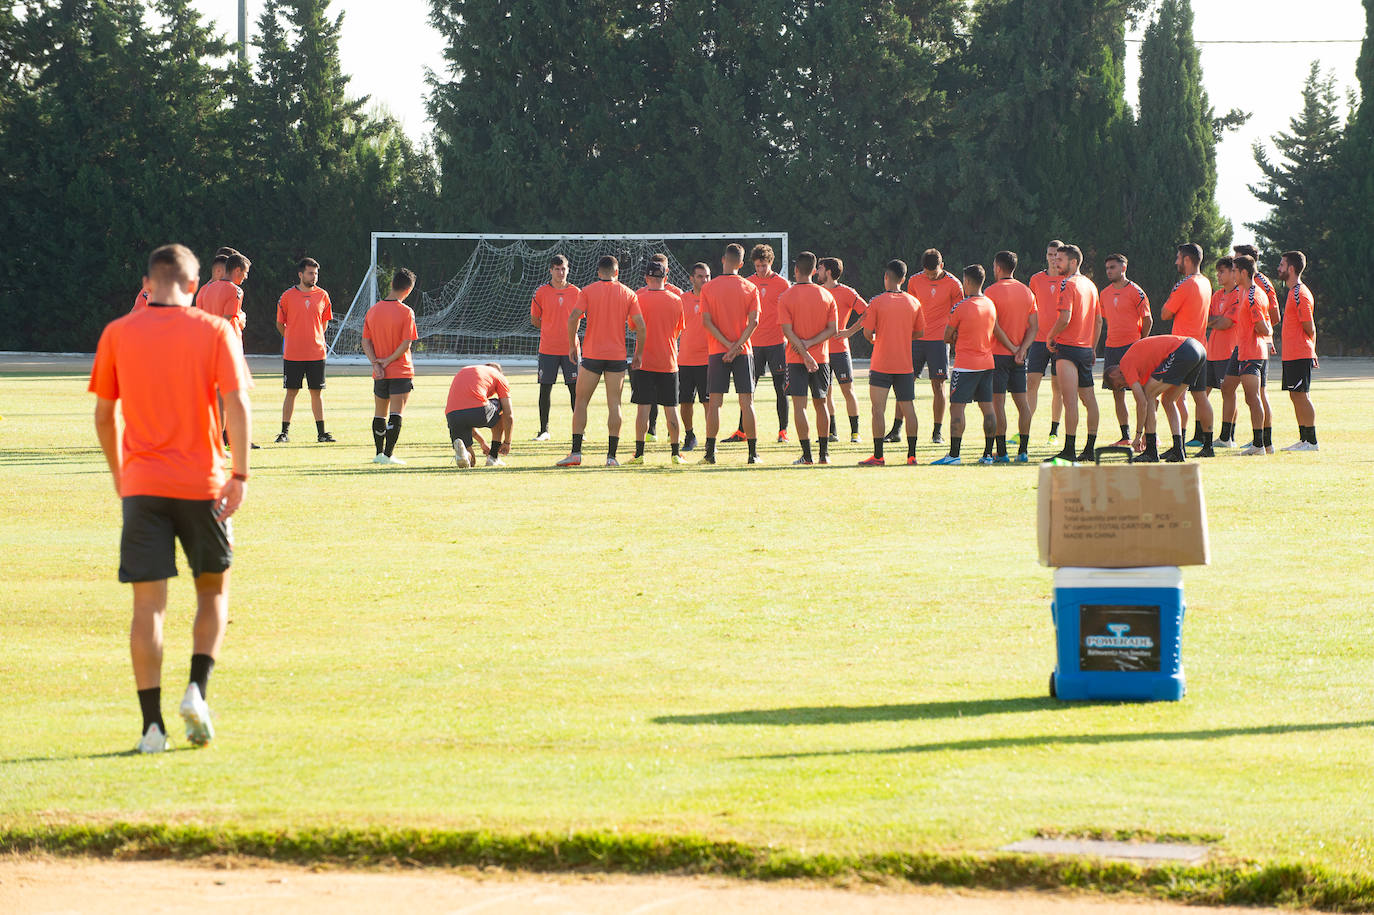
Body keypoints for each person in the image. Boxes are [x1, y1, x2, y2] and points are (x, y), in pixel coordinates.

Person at [89, 243, 252, 753]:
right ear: (193, 284)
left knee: (149, 607)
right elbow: (238, 404)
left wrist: (122, 476)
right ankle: (196, 692)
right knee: (213, 594)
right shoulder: (215, 330)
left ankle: (150, 729)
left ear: (148, 281)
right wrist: (241, 474)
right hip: (202, 484)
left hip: (142, 486)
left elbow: (103, 416)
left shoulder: (118, 332)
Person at [557, 255, 645, 467]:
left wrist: (571, 345)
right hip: (616, 356)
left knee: (581, 402)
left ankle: (576, 453)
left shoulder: (587, 291)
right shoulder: (629, 293)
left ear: (598, 272)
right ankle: (611, 457)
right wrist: (638, 354)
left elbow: (572, 319)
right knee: (614, 404)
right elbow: (641, 326)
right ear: (617, 272)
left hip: (593, 356)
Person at [935, 265, 1017, 465]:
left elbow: (946, 336)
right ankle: (988, 454)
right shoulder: (990, 304)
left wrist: (957, 337)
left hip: (965, 365)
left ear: (968, 282)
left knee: (957, 409)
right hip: (987, 363)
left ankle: (954, 455)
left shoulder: (960, 307)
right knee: (988, 408)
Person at [890, 248, 962, 444]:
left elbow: (958, 314)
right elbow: (910, 308)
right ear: (923, 269)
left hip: (939, 341)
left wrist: (954, 336)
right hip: (916, 340)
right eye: (927, 273)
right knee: (904, 383)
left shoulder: (954, 284)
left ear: (942, 265)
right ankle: (896, 430)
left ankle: (937, 431)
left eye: (934, 273)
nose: (930, 277)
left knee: (938, 386)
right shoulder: (914, 281)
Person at [699, 243, 762, 464]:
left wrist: (727, 345)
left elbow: (706, 322)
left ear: (723, 260)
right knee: (748, 403)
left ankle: (710, 454)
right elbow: (754, 322)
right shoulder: (750, 287)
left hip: (718, 352)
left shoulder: (708, 288)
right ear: (742, 264)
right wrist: (736, 347)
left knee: (715, 403)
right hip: (743, 352)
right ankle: (753, 454)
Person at [859, 259, 925, 466]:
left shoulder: (877, 302)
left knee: (878, 409)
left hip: (881, 364)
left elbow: (868, 332)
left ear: (886, 277)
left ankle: (878, 456)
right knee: (909, 408)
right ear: (904, 279)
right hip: (905, 364)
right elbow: (920, 332)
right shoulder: (914, 302)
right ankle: (912, 456)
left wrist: (877, 338)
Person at [776, 251, 838, 465]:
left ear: (795, 270)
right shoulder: (827, 295)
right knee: (821, 405)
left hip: (795, 359)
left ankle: (807, 456)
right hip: (821, 359)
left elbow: (787, 331)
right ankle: (824, 455)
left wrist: (804, 351)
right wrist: (811, 347)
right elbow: (833, 329)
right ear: (814, 271)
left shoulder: (786, 296)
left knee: (800, 406)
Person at [1105, 334, 1207, 462]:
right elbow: (1155, 403)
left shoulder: (1125, 365)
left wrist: (1138, 435)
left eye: (1120, 385)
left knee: (1148, 395)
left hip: (1183, 350)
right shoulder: (1139, 366)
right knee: (1168, 401)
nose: (1125, 385)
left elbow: (1142, 403)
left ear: (1114, 375)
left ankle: (1151, 451)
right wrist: (1148, 432)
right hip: (1198, 349)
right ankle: (1178, 449)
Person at [726, 244, 789, 443]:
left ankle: (783, 432)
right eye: (758, 266)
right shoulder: (748, 283)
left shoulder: (783, 285)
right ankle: (742, 432)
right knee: (747, 389)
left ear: (771, 263)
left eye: (764, 265)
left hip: (777, 344)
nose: (761, 269)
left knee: (781, 389)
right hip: (753, 346)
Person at [1044, 244, 1101, 462]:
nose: (1056, 263)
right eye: (1055, 258)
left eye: (1060, 260)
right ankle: (1089, 449)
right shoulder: (1091, 285)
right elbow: (1098, 320)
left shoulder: (1067, 284)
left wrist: (1050, 336)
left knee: (1070, 401)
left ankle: (1069, 450)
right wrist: (1093, 347)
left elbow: (1064, 318)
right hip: (1085, 349)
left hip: (1067, 348)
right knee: (1089, 400)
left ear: (1074, 262)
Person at [1213, 255, 1274, 456]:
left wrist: (1269, 331)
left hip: (1252, 352)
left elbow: (1263, 327)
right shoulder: (1245, 292)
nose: (1233, 274)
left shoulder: (1252, 296)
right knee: (1227, 387)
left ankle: (1260, 444)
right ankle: (1227, 437)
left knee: (1252, 397)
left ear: (1243, 273)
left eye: (1235, 271)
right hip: (1241, 350)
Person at [196, 252, 258, 449]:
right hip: (226, 348)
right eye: (245, 273)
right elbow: (227, 319)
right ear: (237, 270)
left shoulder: (207, 289)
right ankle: (228, 442)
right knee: (231, 398)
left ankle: (215, 441)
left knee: (216, 397)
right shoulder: (235, 291)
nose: (245, 277)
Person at [1159, 243, 1214, 456]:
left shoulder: (1186, 284)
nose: (1176, 262)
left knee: (1168, 398)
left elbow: (1165, 313)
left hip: (1183, 348)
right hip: (1201, 347)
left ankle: (1177, 446)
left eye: (1178, 258)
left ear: (1187, 260)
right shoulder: (1206, 283)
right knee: (1199, 397)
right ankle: (1207, 446)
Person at [629, 261, 686, 465]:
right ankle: (676, 454)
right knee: (671, 408)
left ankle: (639, 454)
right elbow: (678, 330)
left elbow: (634, 327)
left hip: (643, 361)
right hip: (668, 361)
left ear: (646, 278)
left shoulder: (638, 298)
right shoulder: (676, 300)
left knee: (643, 409)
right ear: (666, 278)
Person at [361, 268, 419, 465]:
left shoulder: (373, 310)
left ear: (392, 284)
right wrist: (388, 360)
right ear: (408, 289)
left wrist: (376, 362)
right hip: (400, 370)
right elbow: (406, 343)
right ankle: (388, 455)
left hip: (380, 372)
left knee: (379, 412)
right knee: (396, 413)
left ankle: (378, 454)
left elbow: (365, 342)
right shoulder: (406, 312)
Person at [274, 257, 335, 444]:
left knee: (316, 392)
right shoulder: (286, 296)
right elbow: (280, 324)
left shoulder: (323, 295)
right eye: (310, 273)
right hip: (293, 354)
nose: (314, 276)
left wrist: (313, 338)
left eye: (316, 273)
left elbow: (323, 324)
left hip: (316, 353)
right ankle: (284, 433)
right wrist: (293, 338)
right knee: (291, 391)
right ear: (300, 274)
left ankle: (322, 433)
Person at [984, 251, 1037, 462]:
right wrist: (1022, 349)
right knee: (1022, 404)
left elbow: (993, 326)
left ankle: (1003, 452)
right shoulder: (1027, 292)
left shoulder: (990, 292)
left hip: (998, 355)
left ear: (997, 268)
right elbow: (1034, 327)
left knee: (998, 405)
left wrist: (1012, 347)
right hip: (1019, 358)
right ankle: (1023, 451)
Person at [1098, 254, 1152, 448]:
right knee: (1117, 392)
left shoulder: (1136, 291)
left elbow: (1148, 319)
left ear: (1124, 268)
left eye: (1112, 267)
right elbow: (1104, 318)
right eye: (1107, 268)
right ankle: (1125, 436)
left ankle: (1149, 435)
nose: (1109, 271)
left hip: (1132, 348)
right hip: (1112, 347)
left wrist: (1140, 344)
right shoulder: (1104, 293)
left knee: (1143, 394)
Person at [530, 254, 580, 441]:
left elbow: (580, 320)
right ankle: (544, 430)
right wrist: (551, 328)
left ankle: (578, 431)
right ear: (550, 270)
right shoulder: (541, 292)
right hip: (548, 349)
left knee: (575, 391)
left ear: (568, 269)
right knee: (545, 389)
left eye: (563, 269)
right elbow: (535, 319)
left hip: (571, 349)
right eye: (557, 269)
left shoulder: (576, 292)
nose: (560, 272)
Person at [818, 256, 866, 443]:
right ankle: (832, 433)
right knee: (826, 393)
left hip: (840, 351)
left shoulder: (847, 292)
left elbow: (867, 312)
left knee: (848, 391)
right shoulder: (817, 292)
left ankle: (855, 433)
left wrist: (850, 331)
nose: (817, 272)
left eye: (820, 269)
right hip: (822, 351)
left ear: (828, 272)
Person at [1278, 250, 1318, 451]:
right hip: (1292, 354)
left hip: (1300, 353)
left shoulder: (1300, 293)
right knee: (1295, 395)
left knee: (1302, 395)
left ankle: (1311, 441)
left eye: (1282, 265)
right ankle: (1303, 439)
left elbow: (1309, 326)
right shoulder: (1292, 292)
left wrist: (1312, 350)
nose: (1279, 268)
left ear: (1291, 268)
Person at [1026, 240, 1066, 446]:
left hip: (1060, 341)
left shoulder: (1069, 280)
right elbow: (1030, 310)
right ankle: (1025, 430)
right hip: (1039, 340)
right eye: (1050, 255)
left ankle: (1054, 431)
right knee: (1031, 384)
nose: (1053, 259)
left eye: (1057, 256)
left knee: (1057, 388)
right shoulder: (1036, 280)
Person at [1205, 257, 1243, 448]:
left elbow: (1225, 323)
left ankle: (1227, 436)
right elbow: (1207, 319)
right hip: (1211, 351)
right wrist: (1216, 320)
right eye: (1217, 271)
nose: (1218, 275)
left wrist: (1215, 320)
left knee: (1228, 393)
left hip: (1229, 352)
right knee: (1202, 392)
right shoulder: (1217, 295)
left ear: (1233, 273)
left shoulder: (1238, 295)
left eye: (1222, 272)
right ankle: (1205, 435)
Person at [447, 363, 513, 468]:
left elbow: (467, 418)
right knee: (501, 407)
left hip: (453, 415)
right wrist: (507, 442)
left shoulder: (468, 372)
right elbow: (509, 414)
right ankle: (493, 457)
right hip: (478, 411)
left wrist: (482, 442)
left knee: (470, 463)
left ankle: (465, 455)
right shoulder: (498, 375)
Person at [677, 263, 711, 452]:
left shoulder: (714, 299)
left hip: (708, 360)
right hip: (685, 360)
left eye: (707, 276)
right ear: (692, 279)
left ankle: (710, 439)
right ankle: (689, 435)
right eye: (700, 276)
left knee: (709, 403)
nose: (704, 280)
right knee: (685, 402)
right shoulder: (682, 299)